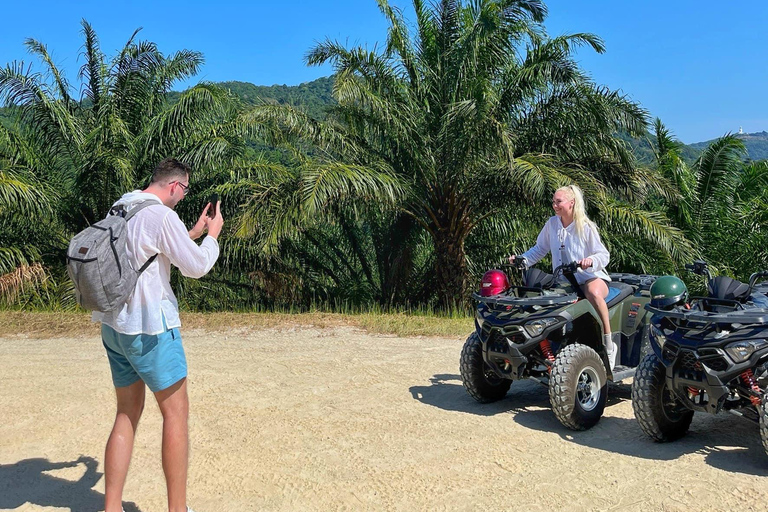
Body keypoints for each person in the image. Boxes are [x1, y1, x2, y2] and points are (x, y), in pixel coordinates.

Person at [93, 158, 223, 512]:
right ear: (176, 187)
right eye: (185, 191)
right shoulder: (163, 216)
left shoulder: (123, 204)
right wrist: (212, 237)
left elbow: (147, 247)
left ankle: (111, 507)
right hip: (149, 327)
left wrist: (191, 234)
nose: (182, 198)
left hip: (114, 325)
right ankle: (177, 510)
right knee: (176, 415)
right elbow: (195, 267)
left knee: (126, 414)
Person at [509, 184, 616, 369]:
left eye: (558, 201)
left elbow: (603, 255)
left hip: (590, 277)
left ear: (571, 203)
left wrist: (590, 261)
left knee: (593, 293)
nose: (555, 205)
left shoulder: (586, 226)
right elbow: (540, 249)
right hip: (564, 280)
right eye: (553, 202)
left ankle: (608, 341)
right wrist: (522, 260)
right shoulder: (552, 224)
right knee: (540, 298)